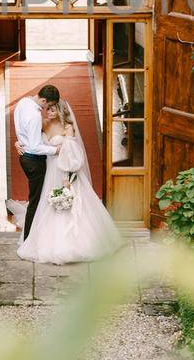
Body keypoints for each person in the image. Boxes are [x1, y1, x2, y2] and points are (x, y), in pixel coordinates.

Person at [17, 100, 122, 264]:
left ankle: (74, 244)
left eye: (51, 109)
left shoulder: (68, 128)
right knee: (46, 203)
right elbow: (31, 139)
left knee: (69, 204)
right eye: (48, 109)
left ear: (59, 110)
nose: (48, 112)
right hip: (49, 169)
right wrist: (19, 143)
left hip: (63, 171)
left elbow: (71, 155)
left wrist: (67, 179)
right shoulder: (43, 124)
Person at [13, 84, 61, 241]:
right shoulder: (34, 116)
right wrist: (55, 151)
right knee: (36, 200)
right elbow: (34, 147)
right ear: (43, 100)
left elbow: (21, 129)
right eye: (49, 105)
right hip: (34, 160)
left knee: (36, 198)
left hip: (24, 157)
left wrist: (19, 141)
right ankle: (29, 238)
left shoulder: (22, 102)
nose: (48, 109)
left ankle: (36, 234)